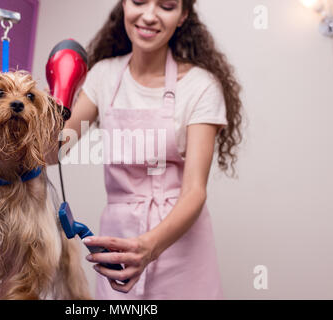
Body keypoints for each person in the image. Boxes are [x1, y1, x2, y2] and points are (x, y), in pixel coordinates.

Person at [46, 0, 243, 299]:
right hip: (117, 247)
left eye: (166, 6)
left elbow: (194, 191)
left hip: (181, 245)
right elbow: (52, 153)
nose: (149, 16)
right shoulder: (104, 76)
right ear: (124, 4)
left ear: (183, 16)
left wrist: (149, 247)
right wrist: (57, 96)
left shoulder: (201, 86)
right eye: (138, 1)